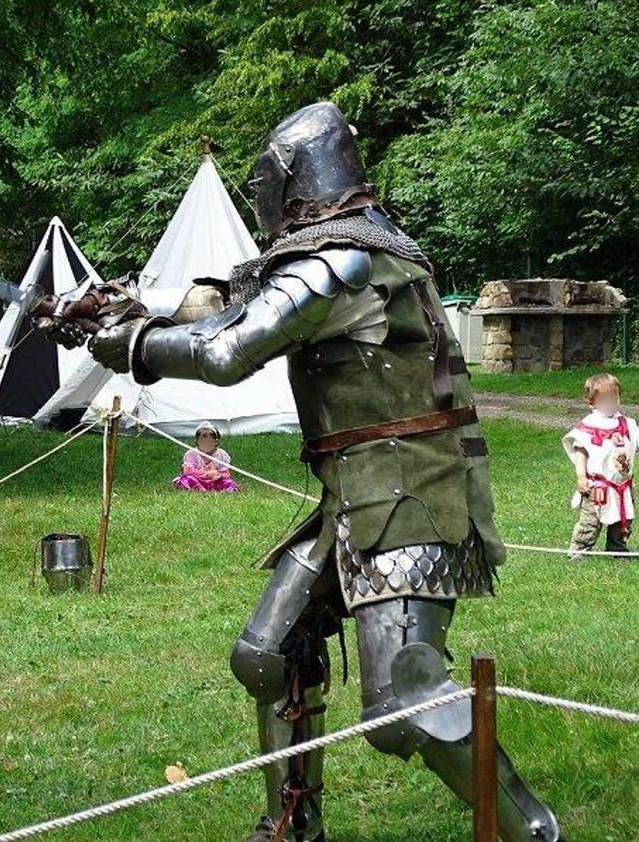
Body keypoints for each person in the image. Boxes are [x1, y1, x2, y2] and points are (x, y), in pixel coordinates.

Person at [57, 103, 561, 840]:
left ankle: (532, 832)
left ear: (289, 182)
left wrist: (133, 346)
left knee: (401, 712)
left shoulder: (342, 262)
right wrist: (133, 306)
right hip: (356, 494)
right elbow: (227, 302)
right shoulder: (346, 252)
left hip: (411, 493)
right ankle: (292, 826)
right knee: (268, 653)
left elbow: (228, 351)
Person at [563, 372, 634, 559]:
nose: (610, 403)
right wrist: (581, 477)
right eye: (604, 399)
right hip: (598, 487)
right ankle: (579, 551)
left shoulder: (626, 424)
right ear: (592, 402)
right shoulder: (590, 426)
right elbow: (580, 452)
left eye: (614, 397)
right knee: (591, 521)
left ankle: (617, 549)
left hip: (622, 486)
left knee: (623, 520)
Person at [173, 422, 240, 493]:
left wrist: (218, 475)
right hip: (198, 479)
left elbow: (226, 473)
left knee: (228, 482)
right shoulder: (192, 454)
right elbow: (187, 471)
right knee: (188, 479)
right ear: (197, 441)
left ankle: (222, 490)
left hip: (214, 481)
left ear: (215, 442)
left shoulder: (221, 454)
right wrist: (207, 474)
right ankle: (199, 489)